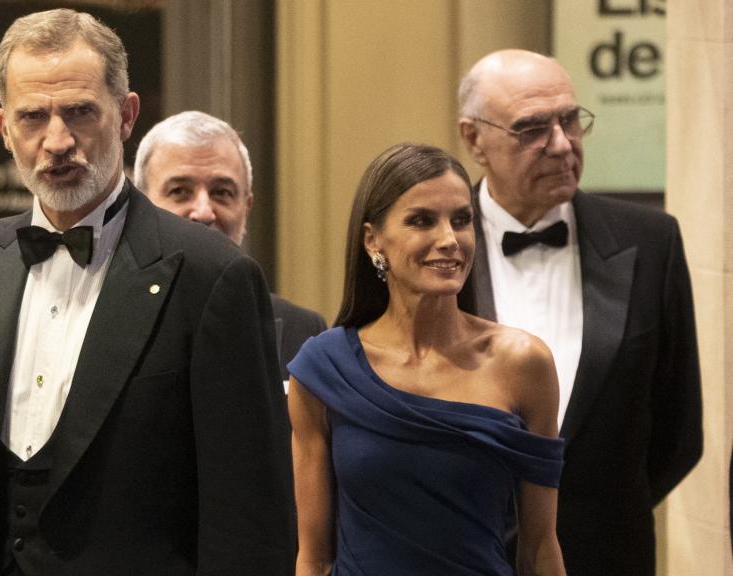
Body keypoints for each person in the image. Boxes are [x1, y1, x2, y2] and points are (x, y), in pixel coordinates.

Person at [0, 9, 295, 575]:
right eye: (33, 116)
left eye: (80, 112)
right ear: (3, 128)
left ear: (126, 115)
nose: (57, 140)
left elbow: (250, 518)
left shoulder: (214, 276)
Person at [457, 49, 702, 574]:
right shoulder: (434, 250)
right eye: (532, 129)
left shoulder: (651, 241)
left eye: (569, 120)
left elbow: (679, 434)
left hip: (608, 556)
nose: (562, 144)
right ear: (475, 139)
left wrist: (597, 518)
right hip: (461, 555)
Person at [288, 143, 566, 575]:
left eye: (461, 220)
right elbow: (314, 557)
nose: (449, 240)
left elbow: (540, 549)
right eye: (422, 221)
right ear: (372, 239)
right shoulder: (324, 369)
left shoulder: (523, 363)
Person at [134, 110, 326, 384]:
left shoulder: (305, 332)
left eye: (222, 192)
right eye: (179, 191)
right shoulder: (105, 321)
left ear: (246, 209)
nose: (203, 212)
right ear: (140, 207)